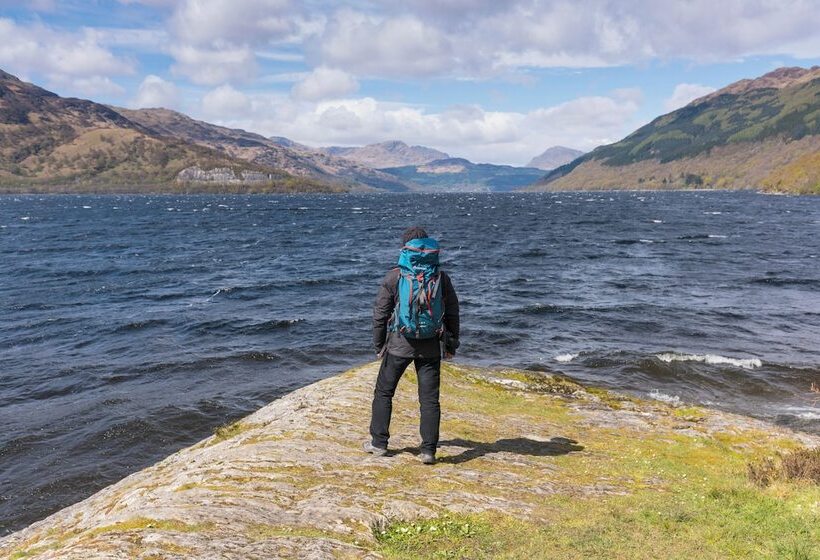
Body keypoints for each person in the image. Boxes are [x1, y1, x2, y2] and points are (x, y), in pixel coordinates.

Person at [364, 226, 460, 465]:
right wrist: (451, 345)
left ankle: (379, 443)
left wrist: (379, 345)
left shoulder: (395, 276)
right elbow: (452, 313)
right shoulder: (441, 277)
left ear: (405, 248)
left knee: (384, 392)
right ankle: (428, 451)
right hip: (430, 345)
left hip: (398, 344)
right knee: (429, 399)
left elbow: (380, 314)